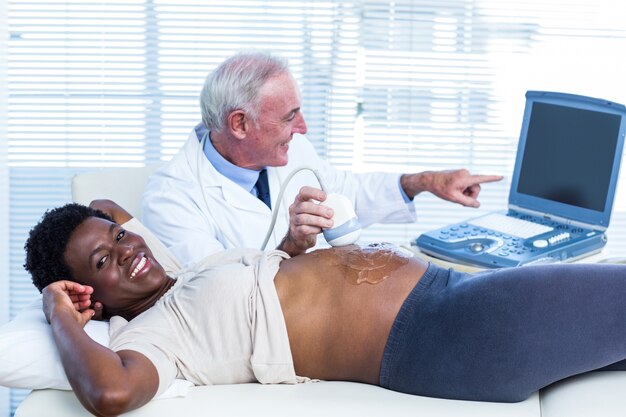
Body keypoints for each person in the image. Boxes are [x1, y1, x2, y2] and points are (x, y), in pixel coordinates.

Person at [24, 200, 626, 416]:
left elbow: (103, 208)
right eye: (103, 262)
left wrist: (101, 238)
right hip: (444, 332)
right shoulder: (152, 336)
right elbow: (109, 396)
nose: (128, 251)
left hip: (447, 291)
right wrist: (57, 306)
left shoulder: (178, 274)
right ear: (90, 297)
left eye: (119, 237)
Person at [141, 51, 503, 266]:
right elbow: (218, 292)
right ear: (239, 123)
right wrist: (290, 246)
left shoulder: (287, 149)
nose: (303, 127)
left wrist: (423, 183)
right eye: (289, 117)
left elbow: (345, 194)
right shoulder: (171, 198)